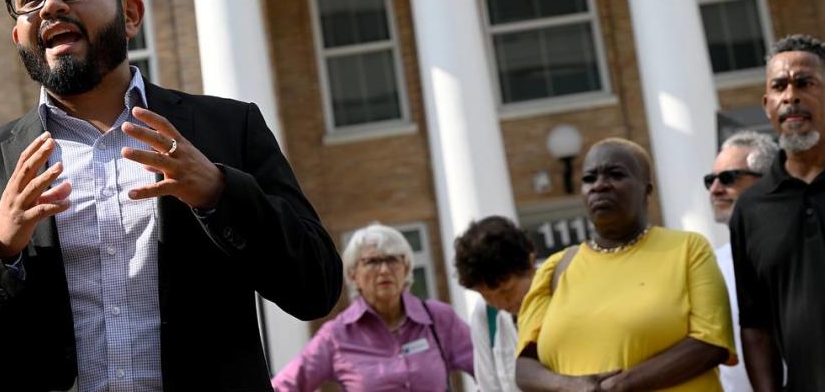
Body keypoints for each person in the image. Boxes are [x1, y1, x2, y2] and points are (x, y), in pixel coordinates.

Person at [0, 0, 343, 391]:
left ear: (130, 15)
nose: (49, 6)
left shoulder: (227, 129)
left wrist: (218, 192)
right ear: (18, 35)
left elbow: (317, 289)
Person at [516, 137, 736, 391]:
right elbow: (524, 366)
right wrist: (572, 386)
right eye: (589, 179)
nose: (599, 186)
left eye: (616, 175)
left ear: (647, 190)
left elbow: (712, 343)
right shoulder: (555, 268)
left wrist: (619, 386)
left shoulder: (687, 250)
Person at [271, 222, 473, 391]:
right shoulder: (336, 335)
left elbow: (488, 363)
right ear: (353, 275)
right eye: (372, 262)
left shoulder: (438, 318)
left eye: (392, 259)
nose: (384, 270)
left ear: (407, 269)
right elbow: (285, 385)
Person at [731, 34, 825, 391]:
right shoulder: (751, 209)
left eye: (805, 83)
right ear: (767, 104)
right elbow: (755, 326)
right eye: (779, 86)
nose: (791, 96)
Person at [706, 130, 777, 392]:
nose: (715, 189)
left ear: (768, 181)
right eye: (710, 180)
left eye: (728, 178)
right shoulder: (708, 265)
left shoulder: (805, 249)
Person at [453, 215, 535, 392]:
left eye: (506, 290)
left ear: (530, 264)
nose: (499, 304)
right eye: (486, 295)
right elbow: (488, 384)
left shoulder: (562, 293)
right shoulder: (485, 313)